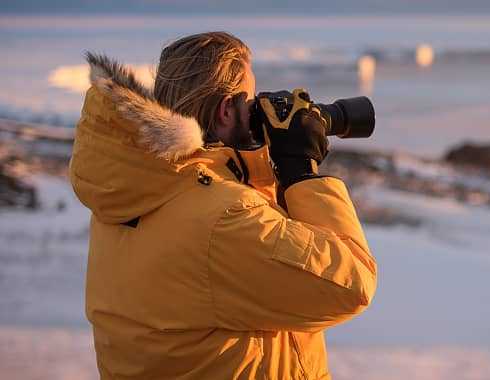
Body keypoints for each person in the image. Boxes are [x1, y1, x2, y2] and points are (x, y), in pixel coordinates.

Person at [69, 31, 377, 379]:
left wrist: (255, 166)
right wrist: (300, 170)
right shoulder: (223, 219)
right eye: (250, 103)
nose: (257, 110)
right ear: (226, 111)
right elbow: (351, 284)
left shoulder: (138, 188)